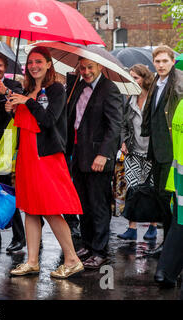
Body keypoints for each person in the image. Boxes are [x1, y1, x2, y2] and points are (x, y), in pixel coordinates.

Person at [6, 46, 84, 279]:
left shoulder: (56, 89)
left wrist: (27, 102)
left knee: (50, 209)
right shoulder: (28, 89)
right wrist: (12, 108)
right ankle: (31, 261)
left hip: (46, 157)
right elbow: (24, 121)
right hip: (27, 155)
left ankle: (72, 259)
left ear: (49, 64)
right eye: (30, 62)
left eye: (39, 61)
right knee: (30, 209)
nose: (34, 66)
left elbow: (49, 121)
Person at [66, 57, 123, 270]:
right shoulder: (79, 85)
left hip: (98, 157)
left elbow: (115, 125)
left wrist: (104, 154)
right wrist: (71, 82)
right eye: (82, 67)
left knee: (98, 205)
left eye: (90, 67)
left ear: (100, 66)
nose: (86, 71)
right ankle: (88, 245)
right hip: (78, 154)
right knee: (83, 203)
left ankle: (100, 251)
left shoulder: (110, 89)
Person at [141, 45, 183, 257]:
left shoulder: (180, 82)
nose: (161, 65)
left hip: (173, 151)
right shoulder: (156, 83)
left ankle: (170, 247)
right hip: (157, 150)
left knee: (172, 199)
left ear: (172, 61)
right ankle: (166, 243)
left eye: (165, 61)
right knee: (161, 197)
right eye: (157, 61)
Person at [0, 50, 26, 253]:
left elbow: (21, 107)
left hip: (6, 147)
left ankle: (19, 237)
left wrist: (6, 95)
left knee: (7, 192)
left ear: (5, 67)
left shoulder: (14, 86)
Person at [117, 64, 157, 241]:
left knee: (151, 189)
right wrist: (124, 141)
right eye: (131, 77)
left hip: (151, 152)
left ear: (144, 78)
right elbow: (123, 124)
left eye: (136, 77)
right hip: (133, 151)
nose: (133, 80)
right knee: (133, 189)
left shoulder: (154, 97)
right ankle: (131, 228)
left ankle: (153, 226)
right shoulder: (130, 98)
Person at [156, 98, 183, 288]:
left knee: (179, 223)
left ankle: (165, 271)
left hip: (179, 176)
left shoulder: (181, 104)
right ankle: (166, 271)